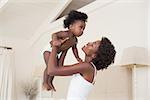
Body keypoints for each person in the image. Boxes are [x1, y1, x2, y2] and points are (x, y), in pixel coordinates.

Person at [47, 37, 116, 100]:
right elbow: (59, 68)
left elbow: (51, 71)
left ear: (94, 55)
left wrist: (55, 46)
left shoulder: (87, 67)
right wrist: (66, 48)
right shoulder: (89, 68)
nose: (89, 43)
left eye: (92, 45)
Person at [43, 10, 88, 90]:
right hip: (49, 49)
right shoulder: (66, 34)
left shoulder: (75, 40)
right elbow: (54, 34)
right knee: (49, 66)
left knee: (55, 68)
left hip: (57, 53)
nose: (82, 31)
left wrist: (77, 57)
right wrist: (55, 41)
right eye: (80, 27)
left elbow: (74, 49)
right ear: (71, 26)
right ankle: (45, 82)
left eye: (83, 29)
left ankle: (50, 82)